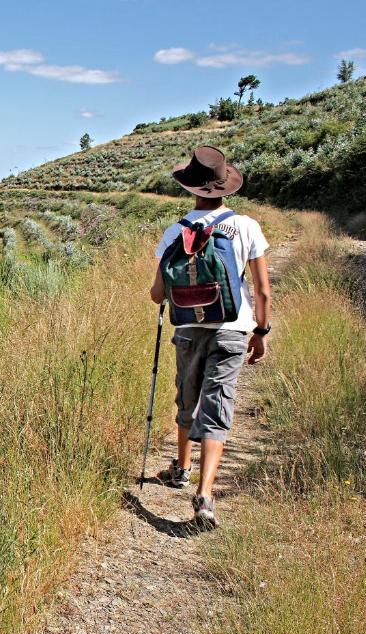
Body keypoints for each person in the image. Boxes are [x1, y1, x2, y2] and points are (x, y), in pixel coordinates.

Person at [148, 145, 272, 528]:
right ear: (224, 188)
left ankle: (181, 467)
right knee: (218, 405)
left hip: (188, 329)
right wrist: (261, 332)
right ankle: (203, 494)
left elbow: (156, 294)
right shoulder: (246, 226)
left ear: (192, 189)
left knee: (187, 395)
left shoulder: (175, 231)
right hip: (233, 329)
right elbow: (263, 290)